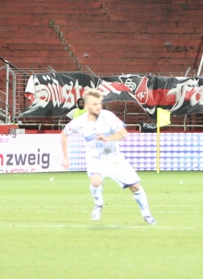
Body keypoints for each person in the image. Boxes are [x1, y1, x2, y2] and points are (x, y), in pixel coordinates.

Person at [60, 89, 156, 224]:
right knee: (95, 181)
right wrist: (66, 157)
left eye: (99, 103)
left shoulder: (108, 116)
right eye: (94, 104)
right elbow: (64, 134)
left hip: (114, 158)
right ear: (87, 106)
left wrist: (107, 138)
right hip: (95, 159)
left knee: (135, 186)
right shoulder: (79, 122)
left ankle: (146, 213)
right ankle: (98, 204)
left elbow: (124, 134)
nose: (98, 106)